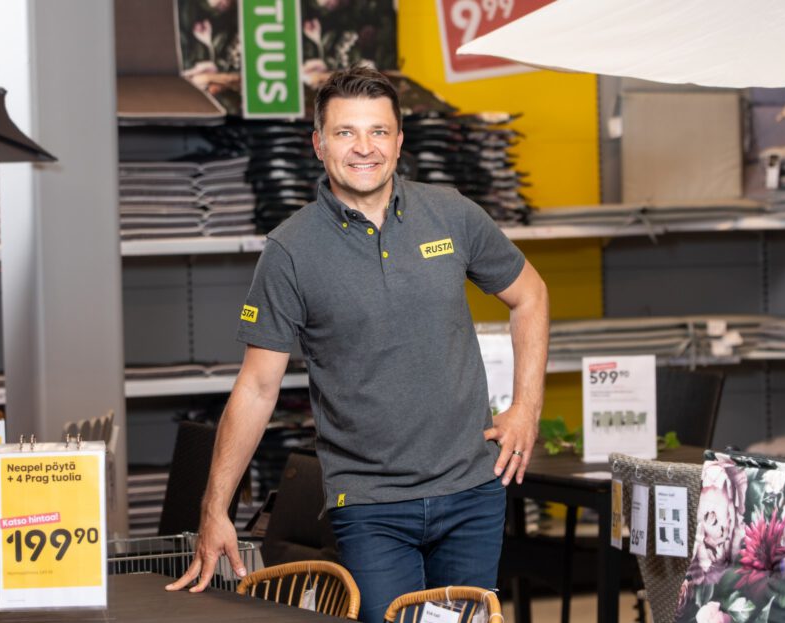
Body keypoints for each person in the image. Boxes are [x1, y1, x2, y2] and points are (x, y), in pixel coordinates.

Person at [166, 66, 549, 623]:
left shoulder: (452, 214)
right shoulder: (290, 251)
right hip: (370, 505)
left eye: (378, 131)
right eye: (345, 132)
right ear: (318, 144)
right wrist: (214, 508)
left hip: (472, 491)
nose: (364, 147)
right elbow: (256, 387)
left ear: (399, 140)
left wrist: (526, 408)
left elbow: (530, 295)